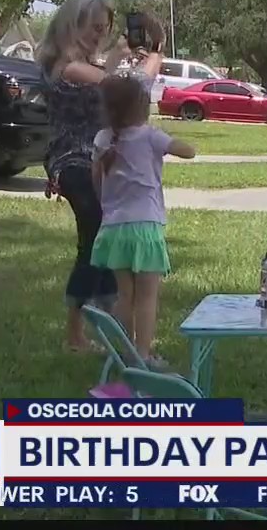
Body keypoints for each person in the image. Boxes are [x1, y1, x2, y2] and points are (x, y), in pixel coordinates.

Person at [35, 0, 165, 353]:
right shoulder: (71, 68)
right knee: (94, 245)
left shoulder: (69, 63)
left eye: (104, 30)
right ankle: (81, 333)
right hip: (77, 163)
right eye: (93, 28)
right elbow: (128, 89)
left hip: (85, 161)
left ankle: (102, 326)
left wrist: (118, 56)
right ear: (71, 25)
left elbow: (106, 78)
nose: (99, 35)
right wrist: (155, 57)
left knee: (100, 243)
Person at [90, 74, 196, 368]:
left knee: (126, 295)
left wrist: (106, 203)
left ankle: (124, 351)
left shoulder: (102, 138)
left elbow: (96, 178)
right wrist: (167, 137)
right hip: (145, 226)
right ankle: (144, 355)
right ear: (140, 107)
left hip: (113, 227)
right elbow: (189, 151)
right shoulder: (150, 136)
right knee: (147, 297)